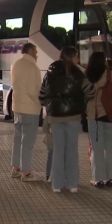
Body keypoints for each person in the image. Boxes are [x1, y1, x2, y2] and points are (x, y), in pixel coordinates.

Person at [39, 46, 95, 193]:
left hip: (55, 117)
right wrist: (80, 101)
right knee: (72, 150)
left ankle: (56, 184)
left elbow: (42, 95)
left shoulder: (49, 73)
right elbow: (91, 91)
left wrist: (51, 105)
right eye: (77, 56)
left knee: (57, 150)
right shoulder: (79, 73)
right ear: (72, 57)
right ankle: (72, 184)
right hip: (73, 116)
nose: (78, 59)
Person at [86, 53, 112, 188]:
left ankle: (98, 179)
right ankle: (110, 178)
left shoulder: (88, 78)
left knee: (97, 149)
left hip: (94, 117)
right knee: (111, 148)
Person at [10, 43, 42, 181]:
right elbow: (33, 90)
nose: (37, 54)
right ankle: (27, 172)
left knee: (17, 139)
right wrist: (40, 102)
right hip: (30, 109)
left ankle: (15, 168)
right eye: (36, 51)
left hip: (17, 108)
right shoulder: (32, 67)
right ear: (30, 51)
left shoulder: (15, 64)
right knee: (27, 142)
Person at [42, 115, 53, 183]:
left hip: (51, 139)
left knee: (50, 157)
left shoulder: (50, 113)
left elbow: (44, 128)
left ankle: (48, 175)